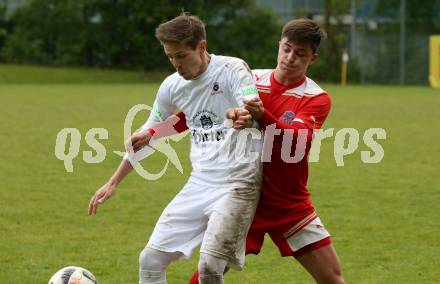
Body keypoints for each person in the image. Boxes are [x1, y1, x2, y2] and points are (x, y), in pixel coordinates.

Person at [88, 12, 262, 284]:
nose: (176, 64)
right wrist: (113, 182)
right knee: (150, 260)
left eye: (181, 55)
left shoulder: (232, 69)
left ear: (201, 47)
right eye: (170, 57)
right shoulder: (171, 86)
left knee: (209, 268)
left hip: (238, 184)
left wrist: (246, 114)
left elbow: (251, 104)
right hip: (199, 183)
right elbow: (150, 136)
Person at [171, 19, 345, 283]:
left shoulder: (315, 98)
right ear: (279, 46)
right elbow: (198, 112)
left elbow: (297, 142)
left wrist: (262, 116)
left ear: (313, 58)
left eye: (300, 54)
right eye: (287, 49)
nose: (290, 58)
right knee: (206, 274)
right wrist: (152, 133)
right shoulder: (249, 79)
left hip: (287, 203)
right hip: (242, 196)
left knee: (332, 278)